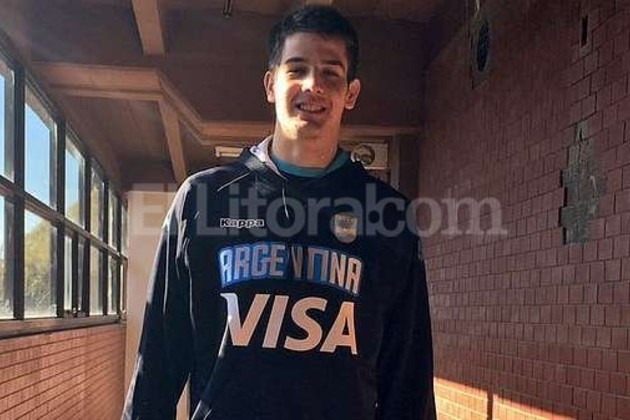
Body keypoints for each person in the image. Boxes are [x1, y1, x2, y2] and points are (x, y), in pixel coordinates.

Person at [122, 5, 436, 420]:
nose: (313, 85)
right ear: (271, 84)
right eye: (297, 69)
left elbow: (409, 385)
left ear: (351, 93)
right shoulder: (204, 200)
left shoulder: (388, 217)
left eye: (330, 74)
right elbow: (157, 367)